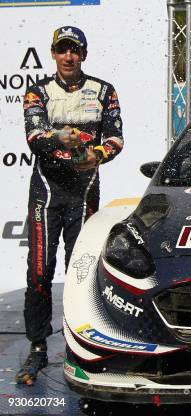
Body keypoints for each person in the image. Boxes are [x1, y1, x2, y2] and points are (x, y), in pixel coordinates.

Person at [17, 26, 124, 385]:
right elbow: (34, 136)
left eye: (74, 50)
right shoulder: (38, 92)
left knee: (81, 272)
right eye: (62, 50)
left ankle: (81, 345)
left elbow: (115, 138)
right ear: (53, 53)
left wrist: (97, 153)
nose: (68, 57)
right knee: (39, 271)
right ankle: (36, 348)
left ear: (84, 54)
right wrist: (57, 137)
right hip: (46, 194)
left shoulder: (104, 91)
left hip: (84, 193)